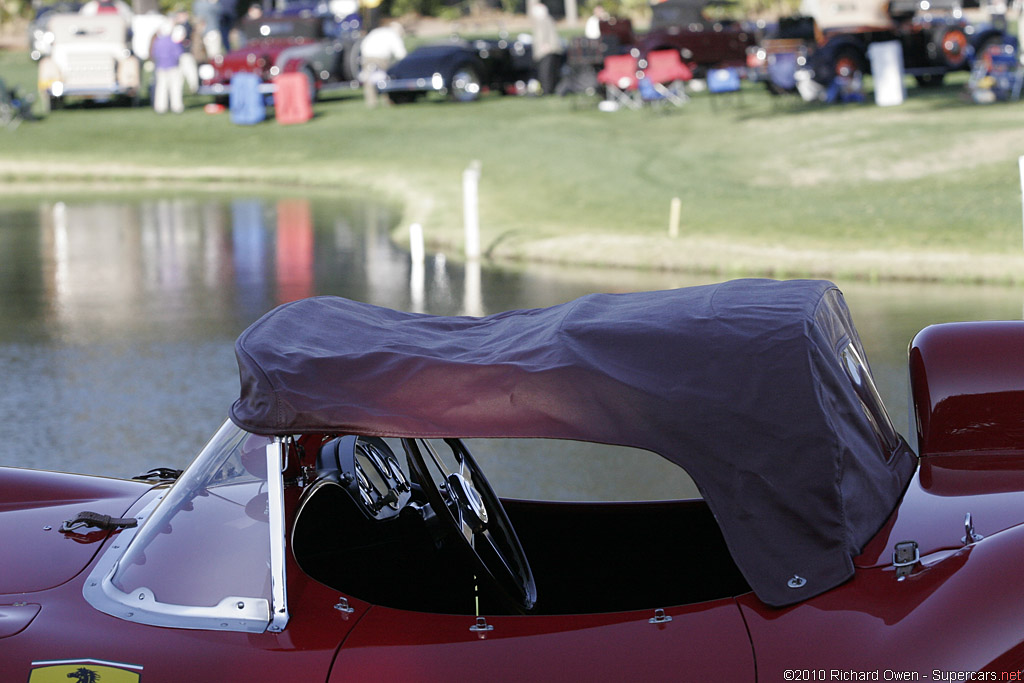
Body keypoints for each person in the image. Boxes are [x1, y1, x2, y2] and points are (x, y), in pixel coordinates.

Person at [359, 23, 406, 107]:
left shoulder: (376, 31)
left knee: (369, 80)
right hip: (381, 58)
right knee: (386, 78)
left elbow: (363, 44)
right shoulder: (393, 35)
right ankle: (388, 100)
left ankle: (371, 103)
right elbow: (401, 54)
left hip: (367, 56)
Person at [151, 21, 186, 113]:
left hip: (160, 67)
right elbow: (178, 53)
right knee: (175, 87)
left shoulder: (157, 42)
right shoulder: (173, 41)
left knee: (161, 88)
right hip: (173, 66)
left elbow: (155, 54)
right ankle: (177, 107)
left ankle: (160, 107)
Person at [530, 2, 564, 95]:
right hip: (548, 50)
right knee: (547, 72)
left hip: (547, 50)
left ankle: (547, 90)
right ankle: (547, 89)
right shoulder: (547, 20)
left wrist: (545, 46)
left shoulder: (544, 20)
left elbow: (543, 36)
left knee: (546, 73)